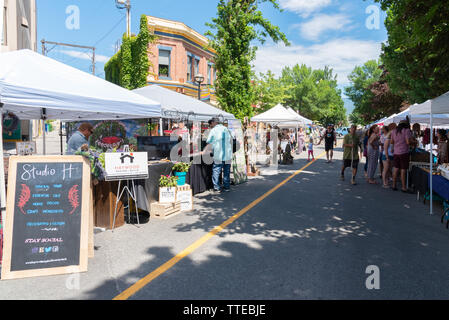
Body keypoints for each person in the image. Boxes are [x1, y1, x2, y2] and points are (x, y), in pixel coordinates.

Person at [206, 118, 233, 193]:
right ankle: (226, 186)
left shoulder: (214, 130)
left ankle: (217, 187)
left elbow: (208, 141)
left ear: (214, 122)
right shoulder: (226, 129)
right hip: (227, 154)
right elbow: (232, 139)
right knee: (226, 171)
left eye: (210, 124)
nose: (210, 126)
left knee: (216, 171)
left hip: (218, 154)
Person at [390, 120, 413, 192]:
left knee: (396, 168)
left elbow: (392, 142)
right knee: (403, 170)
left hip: (396, 153)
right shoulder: (406, 130)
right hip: (404, 153)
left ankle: (394, 185)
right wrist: (414, 142)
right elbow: (408, 142)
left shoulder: (394, 131)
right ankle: (403, 187)